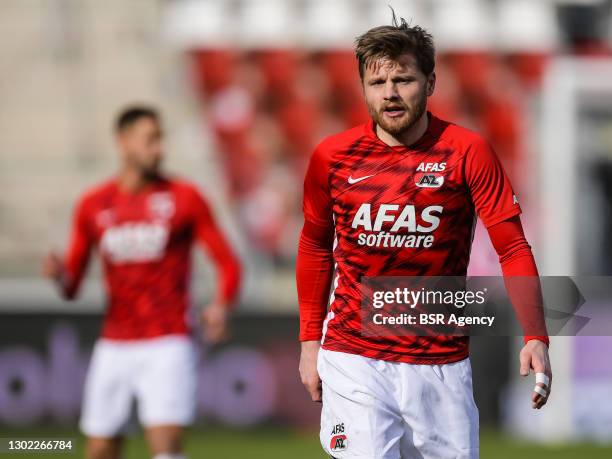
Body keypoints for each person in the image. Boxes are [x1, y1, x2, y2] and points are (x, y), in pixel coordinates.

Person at [296, 13, 551, 459]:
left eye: (404, 79)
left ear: (430, 83)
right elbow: (315, 247)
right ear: (362, 88)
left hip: (440, 362)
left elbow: (511, 246)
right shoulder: (332, 157)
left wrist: (535, 335)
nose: (390, 93)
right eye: (378, 83)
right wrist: (307, 342)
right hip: (354, 355)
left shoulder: (467, 151)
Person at [43, 106, 241, 459]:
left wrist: (221, 304)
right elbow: (72, 286)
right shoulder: (93, 204)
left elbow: (228, 263)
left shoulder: (185, 198)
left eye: (160, 139)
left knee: (165, 447)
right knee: (100, 449)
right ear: (123, 142)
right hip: (114, 343)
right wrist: (60, 274)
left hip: (168, 341)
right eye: (150, 139)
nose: (158, 149)